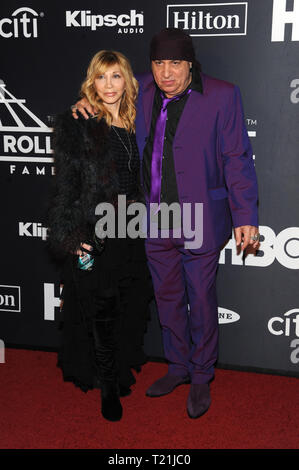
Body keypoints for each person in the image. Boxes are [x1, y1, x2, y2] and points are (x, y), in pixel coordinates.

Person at [72, 28, 259, 419]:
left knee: (202, 301)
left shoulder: (223, 95)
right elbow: (104, 92)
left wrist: (245, 215)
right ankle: (177, 367)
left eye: (175, 63)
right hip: (152, 218)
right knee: (168, 298)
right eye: (159, 63)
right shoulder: (138, 87)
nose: (167, 73)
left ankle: (202, 375)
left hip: (199, 217)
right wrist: (82, 104)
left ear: (190, 63)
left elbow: (238, 157)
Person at [47, 50, 153, 422]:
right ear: (91, 82)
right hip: (96, 231)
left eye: (116, 77)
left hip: (132, 230)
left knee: (126, 307)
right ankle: (108, 387)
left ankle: (118, 370)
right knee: (102, 311)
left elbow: (171, 83)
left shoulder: (138, 118)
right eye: (100, 77)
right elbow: (66, 186)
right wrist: (71, 234)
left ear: (127, 81)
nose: (108, 85)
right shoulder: (78, 123)